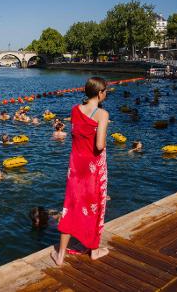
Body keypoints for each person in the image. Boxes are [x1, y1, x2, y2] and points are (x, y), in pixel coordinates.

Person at [52, 77, 111, 266]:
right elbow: (99, 145)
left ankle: (60, 255)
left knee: (70, 206)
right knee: (95, 205)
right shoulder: (102, 114)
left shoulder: (75, 110)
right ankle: (94, 251)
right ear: (100, 93)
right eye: (106, 91)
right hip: (93, 168)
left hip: (75, 167)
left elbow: (76, 135)